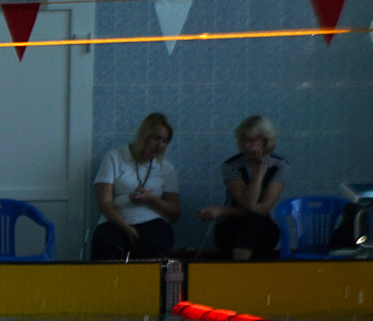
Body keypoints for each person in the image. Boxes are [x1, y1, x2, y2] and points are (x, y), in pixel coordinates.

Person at [90, 112, 179, 261]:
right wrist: (126, 227)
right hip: (115, 221)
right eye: (156, 138)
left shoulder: (166, 168)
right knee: (106, 243)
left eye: (165, 141)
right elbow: (104, 203)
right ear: (144, 136)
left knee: (154, 244)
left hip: (152, 221)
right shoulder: (114, 158)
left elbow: (175, 212)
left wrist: (151, 199)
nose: (160, 145)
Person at [197, 116, 287, 261]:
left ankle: (239, 266)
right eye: (242, 140)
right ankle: (241, 267)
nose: (246, 145)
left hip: (262, 227)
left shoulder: (279, 166)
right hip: (231, 227)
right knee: (251, 224)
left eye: (251, 140)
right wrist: (258, 172)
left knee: (257, 222)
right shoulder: (231, 166)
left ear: (264, 141)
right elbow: (247, 204)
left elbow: (263, 209)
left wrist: (221, 210)